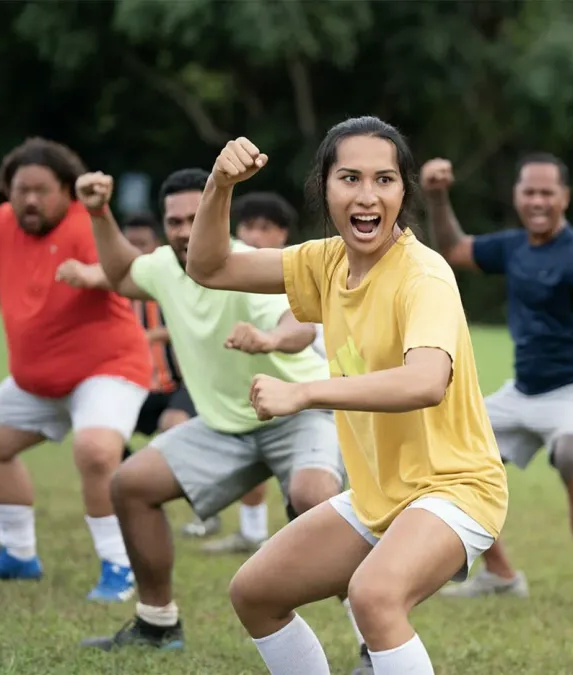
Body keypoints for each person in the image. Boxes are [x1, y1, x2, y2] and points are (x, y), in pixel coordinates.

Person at [184, 118, 508, 675]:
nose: (366, 196)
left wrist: (305, 392)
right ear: (324, 187)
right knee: (255, 593)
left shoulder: (423, 276)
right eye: (349, 178)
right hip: (376, 494)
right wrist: (219, 186)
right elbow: (209, 266)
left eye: (384, 180)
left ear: (403, 191)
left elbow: (426, 381)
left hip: (456, 488)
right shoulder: (327, 262)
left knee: (375, 597)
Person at [70, 168, 352, 664]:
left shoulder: (245, 265)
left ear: (216, 215)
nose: (182, 230)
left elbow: (299, 327)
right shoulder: (160, 265)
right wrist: (98, 212)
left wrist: (269, 340)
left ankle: (375, 639)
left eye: (193, 217)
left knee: (316, 498)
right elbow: (118, 274)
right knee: (131, 485)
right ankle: (157, 623)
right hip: (226, 425)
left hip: (297, 407)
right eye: (173, 220)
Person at [422, 154, 573, 625]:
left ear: (564, 198)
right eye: (529, 192)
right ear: (517, 196)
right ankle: (500, 575)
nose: (538, 201)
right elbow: (454, 249)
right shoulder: (514, 246)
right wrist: (437, 196)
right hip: (522, 393)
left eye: (547, 193)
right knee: (446, 456)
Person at [0, 137, 150, 602]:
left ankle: (119, 566)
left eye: (42, 190)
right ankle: (18, 555)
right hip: (39, 379)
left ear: (67, 190)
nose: (30, 200)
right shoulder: (2, 224)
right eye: (20, 189)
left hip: (107, 367)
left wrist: (95, 274)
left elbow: (125, 271)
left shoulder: (86, 223)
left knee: (94, 452)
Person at [192, 190, 320, 555]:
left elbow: (304, 330)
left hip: (316, 391)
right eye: (247, 226)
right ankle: (253, 532)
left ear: (282, 235)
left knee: (312, 488)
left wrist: (272, 338)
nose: (253, 236)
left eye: (265, 228)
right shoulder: (234, 276)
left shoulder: (301, 272)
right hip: (256, 391)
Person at [58, 212, 197, 462]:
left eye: (142, 244)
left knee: (174, 424)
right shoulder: (113, 288)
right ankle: (134, 485)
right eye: (127, 244)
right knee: (100, 431)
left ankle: (170, 482)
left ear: (157, 246)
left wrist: (152, 335)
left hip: (177, 384)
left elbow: (195, 326)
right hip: (134, 385)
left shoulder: (176, 279)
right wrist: (78, 271)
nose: (133, 250)